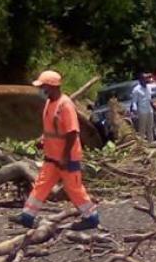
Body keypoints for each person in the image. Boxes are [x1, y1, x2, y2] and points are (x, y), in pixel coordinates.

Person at [13, 69, 100, 230]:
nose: (41, 90)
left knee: (73, 188)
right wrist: (42, 140)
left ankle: (91, 217)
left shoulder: (65, 105)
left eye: (43, 86)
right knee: (41, 185)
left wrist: (65, 157)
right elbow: (52, 129)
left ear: (52, 86)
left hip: (67, 158)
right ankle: (27, 216)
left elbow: (72, 133)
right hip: (52, 157)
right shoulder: (49, 103)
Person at [130, 72, 156, 143]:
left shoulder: (149, 87)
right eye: (144, 79)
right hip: (142, 111)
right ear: (140, 80)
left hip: (150, 110)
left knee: (150, 128)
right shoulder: (136, 90)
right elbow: (134, 101)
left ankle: (151, 143)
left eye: (146, 79)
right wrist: (134, 109)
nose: (146, 80)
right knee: (142, 129)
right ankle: (141, 145)